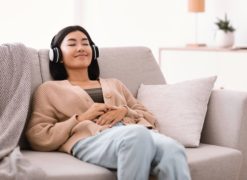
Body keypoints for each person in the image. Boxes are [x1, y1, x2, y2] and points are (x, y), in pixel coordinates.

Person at [26, 25, 191, 180]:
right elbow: (38, 136)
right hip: (91, 139)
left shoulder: (115, 84)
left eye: (86, 43)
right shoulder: (49, 89)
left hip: (135, 133)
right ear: (57, 55)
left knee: (173, 149)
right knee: (136, 135)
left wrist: (125, 111)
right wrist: (81, 118)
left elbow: (149, 117)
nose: (81, 48)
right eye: (72, 44)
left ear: (94, 51)